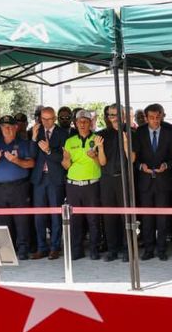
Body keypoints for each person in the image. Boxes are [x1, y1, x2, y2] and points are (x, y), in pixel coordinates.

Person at [133, 103, 172, 260]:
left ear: (162, 116)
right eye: (152, 117)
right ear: (146, 118)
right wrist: (140, 166)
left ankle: (162, 249)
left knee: (162, 218)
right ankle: (149, 249)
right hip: (145, 182)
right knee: (147, 218)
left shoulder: (169, 132)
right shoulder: (139, 132)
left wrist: (166, 165)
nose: (155, 120)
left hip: (163, 181)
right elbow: (134, 158)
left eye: (158, 117)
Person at [0, 115, 35, 258]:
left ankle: (23, 249)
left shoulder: (23, 143)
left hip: (19, 187)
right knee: (2, 220)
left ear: (16, 127)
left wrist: (16, 161)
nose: (7, 129)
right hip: (0, 188)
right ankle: (5, 251)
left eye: (10, 126)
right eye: (4, 127)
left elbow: (31, 163)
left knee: (21, 220)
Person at [61, 109, 103, 260]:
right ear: (76, 123)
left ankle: (94, 250)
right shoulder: (70, 141)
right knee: (75, 219)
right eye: (80, 121)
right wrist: (66, 159)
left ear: (90, 123)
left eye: (86, 121)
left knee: (93, 219)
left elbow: (102, 163)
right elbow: (66, 166)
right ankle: (76, 250)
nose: (83, 124)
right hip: (73, 185)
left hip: (92, 185)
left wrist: (95, 156)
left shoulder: (97, 139)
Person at [31, 107, 68, 260]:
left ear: (55, 118)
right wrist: (33, 138)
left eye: (49, 119)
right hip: (39, 179)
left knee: (55, 215)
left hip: (55, 178)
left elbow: (63, 158)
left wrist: (49, 151)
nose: (46, 122)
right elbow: (31, 155)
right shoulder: (36, 131)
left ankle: (55, 247)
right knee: (39, 216)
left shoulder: (63, 133)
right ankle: (41, 247)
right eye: (43, 119)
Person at [96, 105, 130, 262]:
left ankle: (127, 249)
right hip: (107, 179)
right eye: (111, 115)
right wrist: (100, 148)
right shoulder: (101, 135)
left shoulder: (131, 132)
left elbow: (132, 159)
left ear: (123, 115)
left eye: (116, 114)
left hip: (124, 179)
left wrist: (126, 142)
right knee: (109, 216)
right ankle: (112, 250)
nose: (114, 118)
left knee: (126, 216)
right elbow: (102, 162)